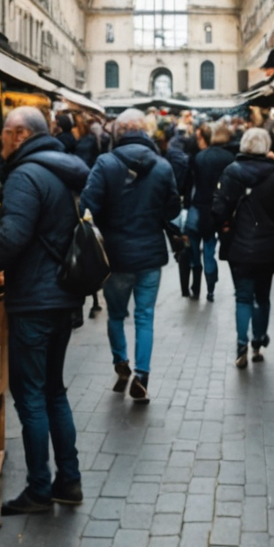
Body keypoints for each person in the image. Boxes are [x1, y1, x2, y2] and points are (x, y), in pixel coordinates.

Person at [0, 106, 91, 515]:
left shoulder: (26, 175)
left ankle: (40, 489)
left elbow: (13, 235)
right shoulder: (62, 170)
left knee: (30, 397)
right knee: (54, 391)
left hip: (35, 301)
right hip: (61, 295)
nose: (0, 141)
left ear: (20, 134)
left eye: (4, 133)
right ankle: (69, 480)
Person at [81, 109, 179, 402]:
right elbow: (173, 208)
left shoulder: (105, 163)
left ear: (117, 132)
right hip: (150, 254)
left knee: (116, 314)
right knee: (145, 316)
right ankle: (142, 374)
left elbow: (88, 203)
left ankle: (120, 362)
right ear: (145, 131)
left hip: (116, 254)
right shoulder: (162, 166)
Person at [209, 127, 274, 368]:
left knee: (243, 297)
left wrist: (224, 225)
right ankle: (258, 342)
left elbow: (218, 209)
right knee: (262, 297)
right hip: (268, 247)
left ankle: (241, 344)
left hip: (239, 246)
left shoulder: (232, 172)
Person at [189, 125, 238, 302]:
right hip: (221, 209)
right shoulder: (230, 158)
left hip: (201, 208)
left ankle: (197, 286)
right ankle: (210, 287)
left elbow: (193, 183)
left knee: (200, 249)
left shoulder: (200, 157)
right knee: (210, 250)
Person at [165, 126, 198, 297]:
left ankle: (185, 287)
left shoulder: (170, 155)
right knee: (193, 246)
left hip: (177, 204)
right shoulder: (192, 160)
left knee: (182, 246)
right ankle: (196, 287)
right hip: (193, 206)